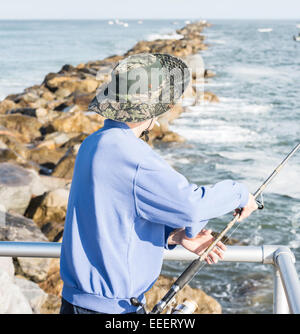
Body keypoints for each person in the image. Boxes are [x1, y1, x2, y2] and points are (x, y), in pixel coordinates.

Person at [59, 53, 257, 314]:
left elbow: (111, 220)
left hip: (75, 303)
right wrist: (240, 192)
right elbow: (192, 206)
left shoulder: (92, 143)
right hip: (110, 310)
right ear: (155, 107)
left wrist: (173, 236)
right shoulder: (132, 155)